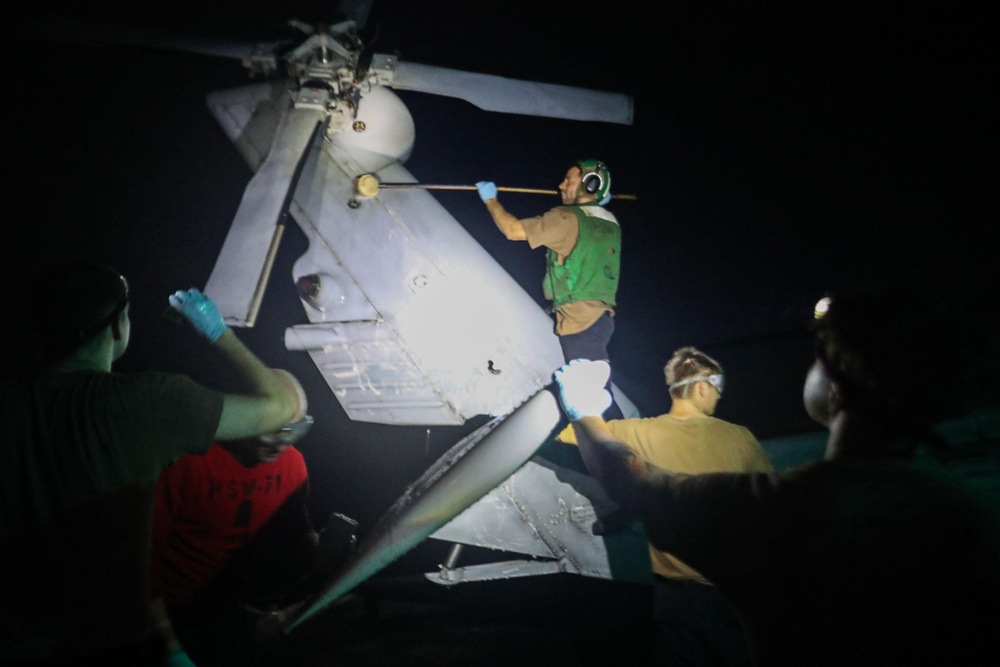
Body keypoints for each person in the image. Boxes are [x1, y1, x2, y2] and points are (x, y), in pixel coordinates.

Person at [553, 286, 1000, 666]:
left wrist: (584, 410)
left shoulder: (776, 514)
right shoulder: (975, 515)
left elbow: (633, 482)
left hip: (677, 605)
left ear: (835, 372)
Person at [0, 261, 305, 666]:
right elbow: (282, 406)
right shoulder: (148, 402)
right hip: (108, 644)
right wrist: (216, 331)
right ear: (117, 328)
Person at [556, 346, 772, 665]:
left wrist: (583, 405)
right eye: (718, 388)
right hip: (732, 592)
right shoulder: (739, 437)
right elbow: (764, 510)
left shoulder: (634, 432)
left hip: (672, 597)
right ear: (702, 386)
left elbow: (570, 434)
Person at [150, 406, 357, 667]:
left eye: (293, 432)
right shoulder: (186, 463)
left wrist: (330, 554)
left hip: (233, 604)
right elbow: (141, 563)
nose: (280, 444)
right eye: (270, 433)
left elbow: (297, 536)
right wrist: (171, 647)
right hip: (174, 610)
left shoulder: (292, 464)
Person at [477, 159, 623, 418]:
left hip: (580, 323)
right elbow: (591, 224)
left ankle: (616, 451)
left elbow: (512, 230)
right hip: (599, 318)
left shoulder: (567, 218)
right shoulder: (609, 221)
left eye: (569, 180)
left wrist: (490, 200)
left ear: (589, 185)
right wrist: (596, 201)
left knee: (595, 401)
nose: (561, 185)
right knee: (597, 386)